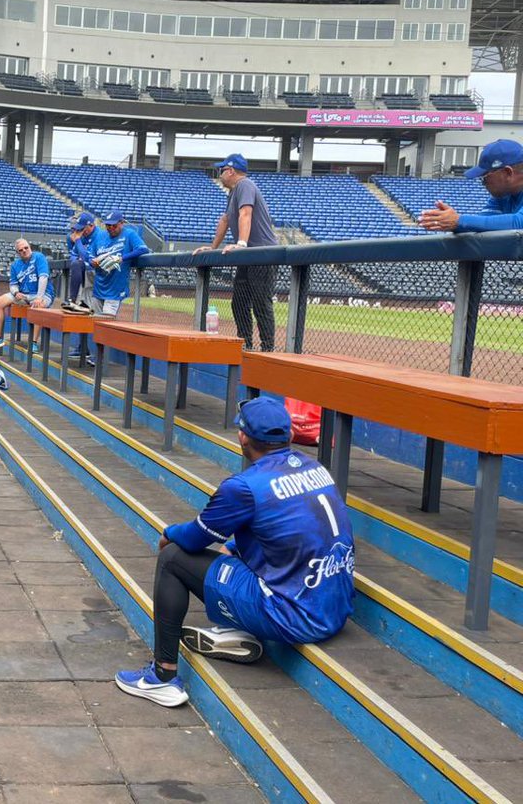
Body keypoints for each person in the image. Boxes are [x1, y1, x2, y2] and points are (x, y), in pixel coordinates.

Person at [114, 397, 354, 707]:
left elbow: (194, 539)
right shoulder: (315, 467)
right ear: (290, 436)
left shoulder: (243, 486)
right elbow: (285, 528)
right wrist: (232, 546)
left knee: (173, 558)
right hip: (335, 606)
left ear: (242, 437)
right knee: (233, 549)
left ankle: (162, 676)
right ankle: (232, 630)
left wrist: (168, 533)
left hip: (294, 616)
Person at [194, 154, 277, 352]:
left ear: (230, 171)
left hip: (262, 253)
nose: (220, 174)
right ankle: (245, 344)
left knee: (260, 302)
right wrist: (213, 247)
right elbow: (225, 219)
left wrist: (241, 243)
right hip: (248, 255)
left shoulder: (245, 184)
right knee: (239, 302)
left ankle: (267, 348)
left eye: (222, 170)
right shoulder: (233, 193)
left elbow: (246, 213)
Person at [420, 138, 523, 233]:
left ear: (507, 173)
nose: (483, 183)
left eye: (485, 177)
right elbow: (481, 226)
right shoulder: (501, 195)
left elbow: (519, 223)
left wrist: (459, 221)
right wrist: (450, 222)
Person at [0, 238, 52, 352]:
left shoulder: (39, 257)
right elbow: (13, 285)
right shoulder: (15, 265)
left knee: (38, 306)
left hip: (43, 293)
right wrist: (16, 293)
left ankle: (34, 343)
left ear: (30, 247)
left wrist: (39, 297)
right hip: (24, 294)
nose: (24, 251)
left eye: (26, 248)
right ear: (18, 253)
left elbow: (43, 278)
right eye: (21, 250)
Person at [88, 211, 149, 318]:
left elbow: (143, 249)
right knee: (94, 323)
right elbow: (89, 254)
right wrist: (92, 261)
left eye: (114, 225)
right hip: (99, 286)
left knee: (107, 322)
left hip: (115, 289)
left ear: (121, 223)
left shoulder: (129, 234)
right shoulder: (100, 236)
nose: (111, 228)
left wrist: (121, 258)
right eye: (108, 225)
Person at [61, 213, 96, 314]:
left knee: (94, 311)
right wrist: (77, 258)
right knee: (76, 264)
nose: (79, 231)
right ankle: (74, 300)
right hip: (85, 271)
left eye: (82, 228)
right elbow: (73, 255)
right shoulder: (81, 237)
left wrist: (77, 240)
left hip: (97, 273)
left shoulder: (98, 235)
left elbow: (86, 258)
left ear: (92, 225)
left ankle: (79, 301)